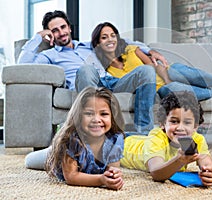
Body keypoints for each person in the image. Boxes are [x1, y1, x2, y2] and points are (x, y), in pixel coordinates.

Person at [18, 10, 166, 136]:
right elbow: (23, 65)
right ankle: (93, 132)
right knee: (86, 69)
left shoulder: (88, 46)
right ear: (50, 34)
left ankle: (143, 133)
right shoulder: (49, 55)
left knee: (146, 70)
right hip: (85, 83)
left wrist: (149, 50)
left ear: (69, 28)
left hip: (110, 81)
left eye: (63, 27)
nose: (61, 33)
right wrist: (38, 36)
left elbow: (123, 42)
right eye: (55, 31)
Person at [90, 22, 212, 102]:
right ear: (98, 44)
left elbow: (153, 65)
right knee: (175, 90)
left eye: (113, 35)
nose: (110, 39)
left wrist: (168, 78)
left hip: (165, 73)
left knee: (177, 71)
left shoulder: (131, 50)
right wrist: (169, 84)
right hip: (158, 89)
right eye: (104, 37)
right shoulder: (108, 73)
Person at [120, 91, 212, 186]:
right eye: (174, 121)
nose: (180, 128)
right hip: (123, 144)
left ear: (195, 126)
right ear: (162, 123)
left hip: (142, 140)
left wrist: (208, 173)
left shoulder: (197, 139)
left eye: (187, 122)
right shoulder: (156, 137)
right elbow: (156, 173)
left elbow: (206, 163)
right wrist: (179, 160)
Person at [45, 86, 125, 190]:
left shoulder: (115, 140)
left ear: (113, 118)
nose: (96, 119)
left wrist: (113, 176)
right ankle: (52, 149)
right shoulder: (70, 139)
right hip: (56, 153)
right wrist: (101, 180)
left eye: (104, 114)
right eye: (89, 113)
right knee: (30, 160)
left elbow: (112, 168)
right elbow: (71, 177)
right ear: (79, 116)